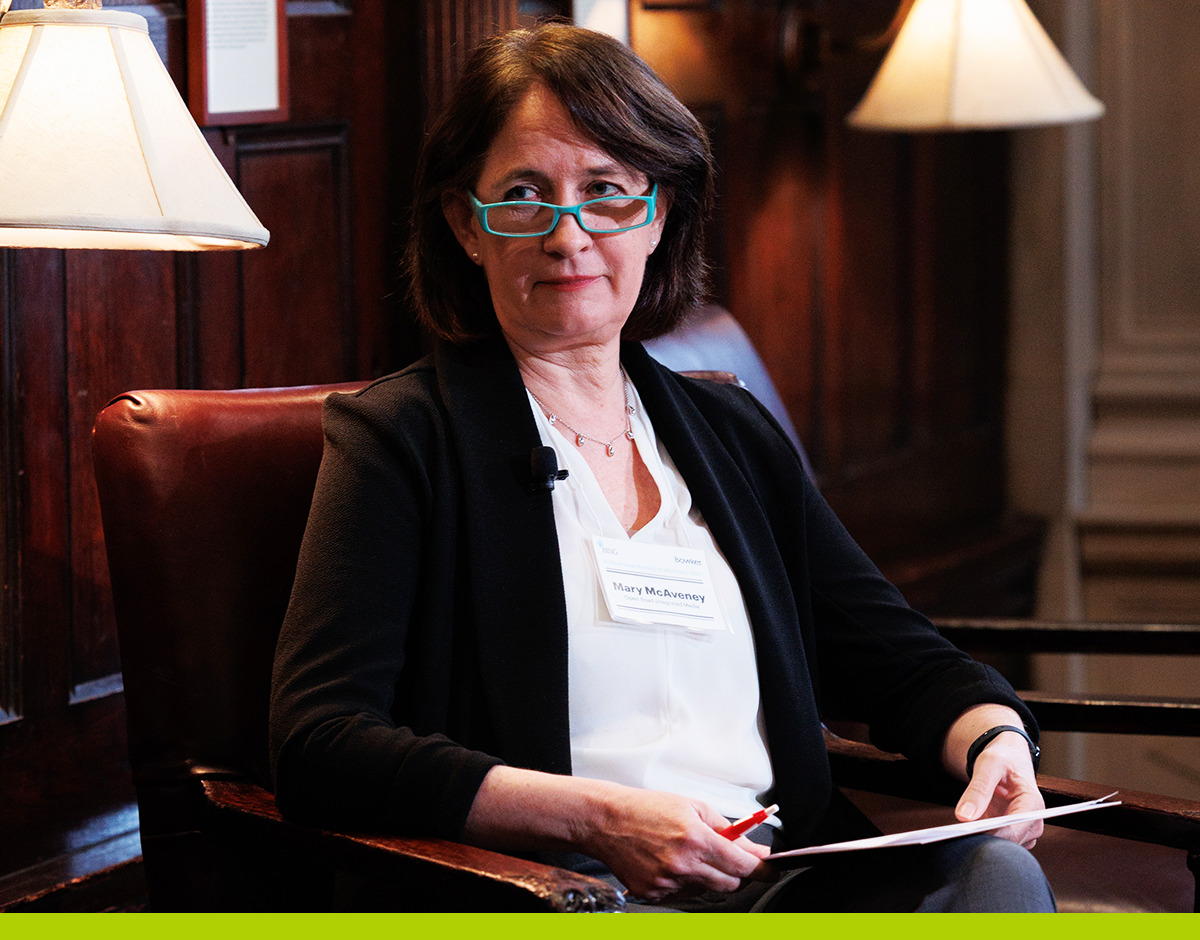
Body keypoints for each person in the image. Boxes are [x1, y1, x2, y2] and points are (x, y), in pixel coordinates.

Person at [269, 22, 1054, 911]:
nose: (568, 236)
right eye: (524, 194)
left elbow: (904, 665)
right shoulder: (400, 440)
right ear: (465, 225)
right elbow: (320, 741)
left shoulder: (728, 433)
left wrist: (997, 742)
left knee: (997, 875)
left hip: (779, 881)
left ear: (659, 213)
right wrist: (595, 819)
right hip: (559, 891)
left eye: (605, 191)